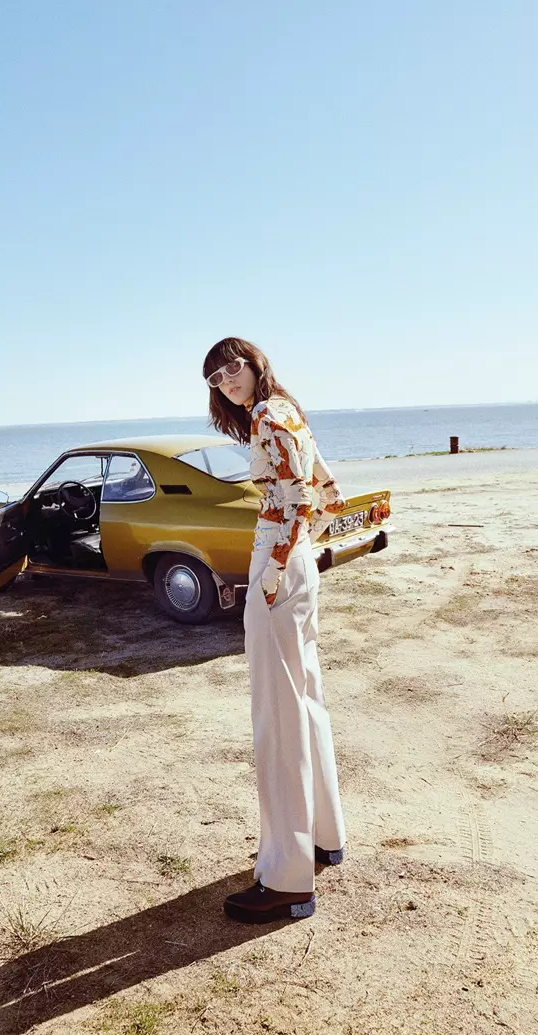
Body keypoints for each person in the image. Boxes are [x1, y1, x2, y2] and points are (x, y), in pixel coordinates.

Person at [203, 337, 348, 924]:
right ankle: (323, 837)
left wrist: (276, 567)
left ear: (256, 362)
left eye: (232, 366)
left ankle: (289, 879)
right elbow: (327, 489)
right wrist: (299, 550)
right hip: (295, 563)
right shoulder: (289, 409)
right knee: (304, 699)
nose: (225, 380)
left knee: (277, 714)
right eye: (214, 377)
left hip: (280, 562)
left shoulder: (268, 412)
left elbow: (298, 496)